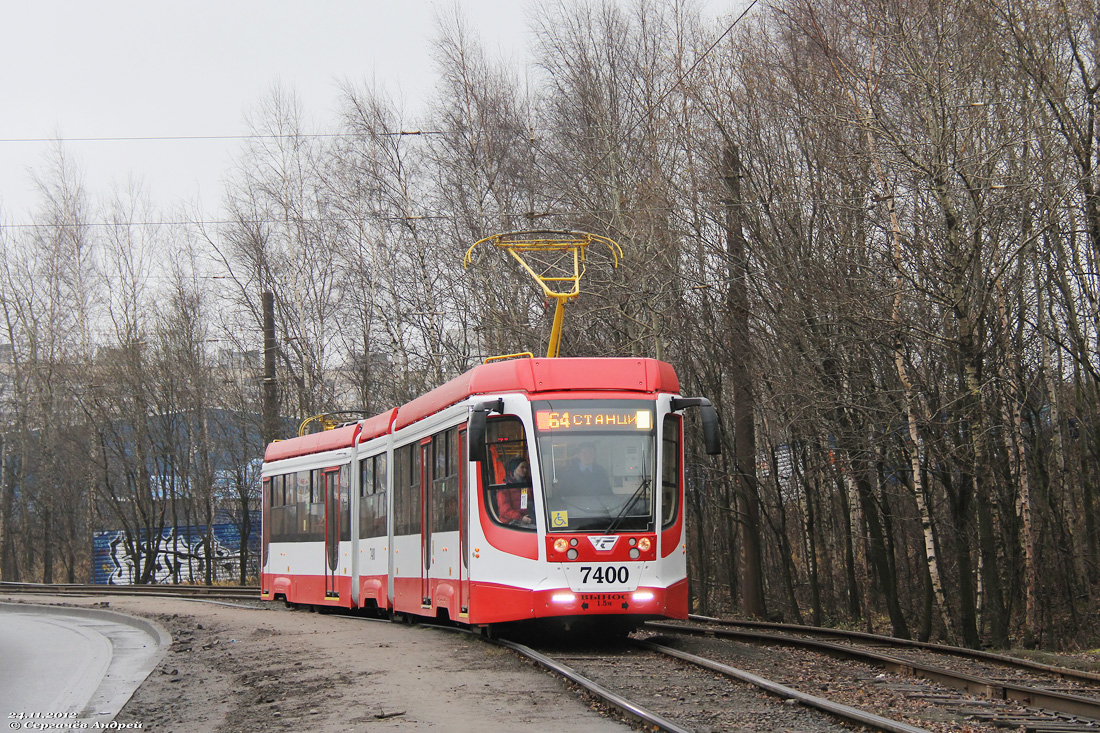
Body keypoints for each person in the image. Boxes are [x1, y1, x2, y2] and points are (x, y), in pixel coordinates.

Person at [497, 458, 535, 526]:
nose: (525, 470)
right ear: (514, 468)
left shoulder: (527, 483)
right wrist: (521, 517)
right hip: (510, 522)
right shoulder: (505, 486)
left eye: (526, 468)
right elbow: (504, 511)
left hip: (525, 518)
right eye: (522, 467)